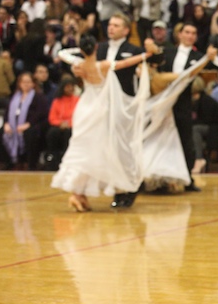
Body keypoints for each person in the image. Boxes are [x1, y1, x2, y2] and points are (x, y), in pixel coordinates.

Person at [51, 35, 159, 211]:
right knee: (97, 148)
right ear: (95, 49)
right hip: (100, 109)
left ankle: (79, 194)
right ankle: (79, 194)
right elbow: (126, 63)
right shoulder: (103, 65)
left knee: (82, 148)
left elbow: (62, 53)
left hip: (84, 107)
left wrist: (78, 51)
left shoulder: (78, 64)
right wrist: (145, 55)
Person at [159, 23, 218, 192]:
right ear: (179, 34)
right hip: (163, 102)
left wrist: (212, 56)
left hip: (184, 103)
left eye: (194, 33)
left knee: (187, 139)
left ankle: (187, 178)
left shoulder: (198, 56)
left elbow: (214, 67)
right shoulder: (167, 52)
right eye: (187, 32)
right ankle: (162, 177)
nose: (190, 35)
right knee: (162, 139)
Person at [0, 72, 48, 170]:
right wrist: (6, 123)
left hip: (32, 124)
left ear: (33, 83)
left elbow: (41, 112)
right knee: (0, 133)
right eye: (23, 82)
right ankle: (6, 162)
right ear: (20, 83)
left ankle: (30, 164)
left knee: (30, 134)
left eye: (28, 82)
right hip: (13, 124)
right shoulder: (15, 97)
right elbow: (7, 112)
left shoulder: (38, 96)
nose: (26, 84)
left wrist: (28, 124)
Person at [45, 78, 79, 171]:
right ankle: (53, 158)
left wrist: (69, 124)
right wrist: (60, 123)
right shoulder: (57, 101)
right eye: (67, 87)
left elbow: (79, 116)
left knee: (68, 134)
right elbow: (52, 117)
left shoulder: (77, 100)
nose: (70, 89)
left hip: (72, 126)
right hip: (59, 125)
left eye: (72, 87)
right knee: (52, 133)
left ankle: (67, 159)